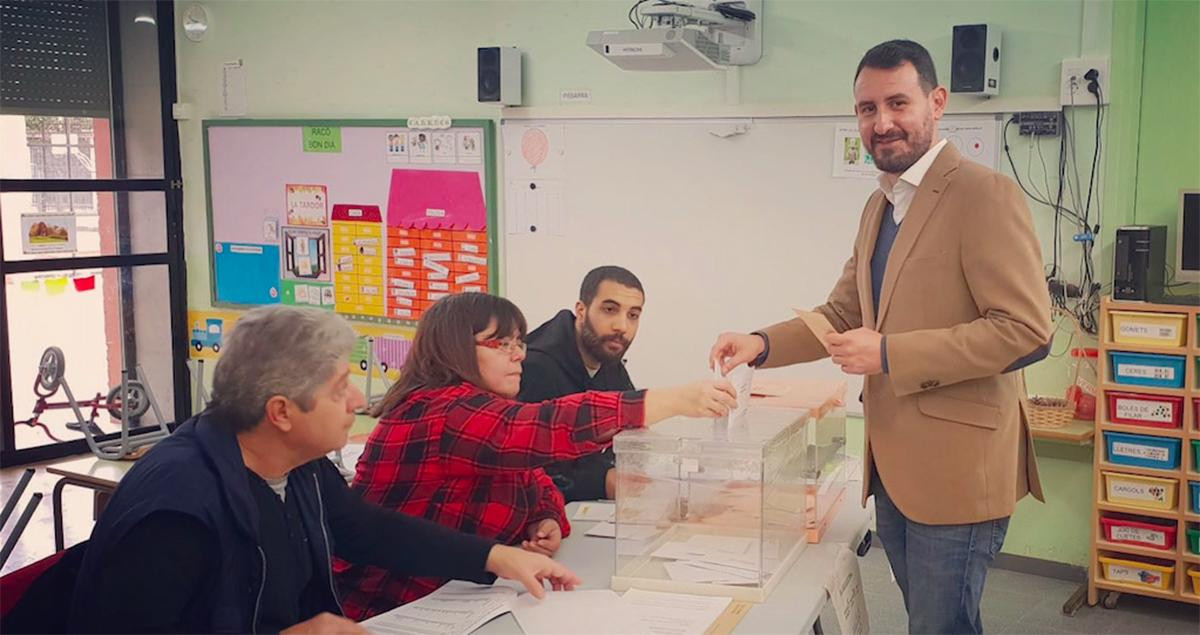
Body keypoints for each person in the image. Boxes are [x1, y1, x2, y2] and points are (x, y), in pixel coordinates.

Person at [709, 40, 1051, 635]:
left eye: (898, 103)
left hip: (957, 473)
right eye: (867, 108)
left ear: (937, 103)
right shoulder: (880, 205)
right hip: (892, 468)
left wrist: (889, 353)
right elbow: (843, 311)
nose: (881, 122)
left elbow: (1026, 333)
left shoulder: (983, 195)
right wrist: (762, 344)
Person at [67, 306, 578, 634]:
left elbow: (363, 529)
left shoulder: (298, 464)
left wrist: (495, 557)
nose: (358, 400)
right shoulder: (177, 510)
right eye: (339, 389)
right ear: (282, 412)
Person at [336, 292, 735, 620]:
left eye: (519, 343)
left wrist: (545, 518)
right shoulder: (440, 411)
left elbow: (534, 476)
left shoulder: (482, 409)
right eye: (501, 344)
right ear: (454, 349)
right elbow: (544, 427)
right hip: (393, 612)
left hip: (463, 601)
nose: (519, 355)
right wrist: (671, 400)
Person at [518, 266, 644, 501]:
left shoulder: (607, 356)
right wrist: (602, 482)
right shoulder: (536, 366)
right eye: (609, 310)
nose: (622, 326)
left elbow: (630, 428)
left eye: (633, 315)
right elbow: (525, 470)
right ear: (581, 311)